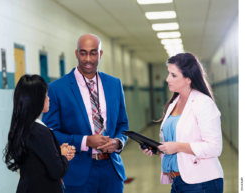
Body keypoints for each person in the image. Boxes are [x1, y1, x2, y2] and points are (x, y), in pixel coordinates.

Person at [42, 34, 129, 193]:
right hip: (77, 173)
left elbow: (123, 124)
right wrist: (85, 141)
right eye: (83, 53)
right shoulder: (57, 88)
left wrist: (117, 142)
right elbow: (50, 134)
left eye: (93, 53)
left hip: (112, 170)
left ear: (100, 54)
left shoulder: (114, 84)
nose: (88, 58)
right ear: (76, 54)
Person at [141, 53, 224, 193]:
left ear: (188, 79)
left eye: (173, 75)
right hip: (178, 182)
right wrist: (157, 149)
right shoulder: (174, 103)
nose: (167, 79)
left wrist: (177, 146)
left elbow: (215, 147)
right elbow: (176, 141)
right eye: (168, 73)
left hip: (202, 183)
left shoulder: (203, 103)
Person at [3, 75, 76, 193]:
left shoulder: (25, 127)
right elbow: (58, 171)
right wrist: (63, 155)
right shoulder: (40, 132)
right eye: (45, 95)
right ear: (36, 100)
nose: (48, 98)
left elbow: (41, 159)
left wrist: (58, 152)